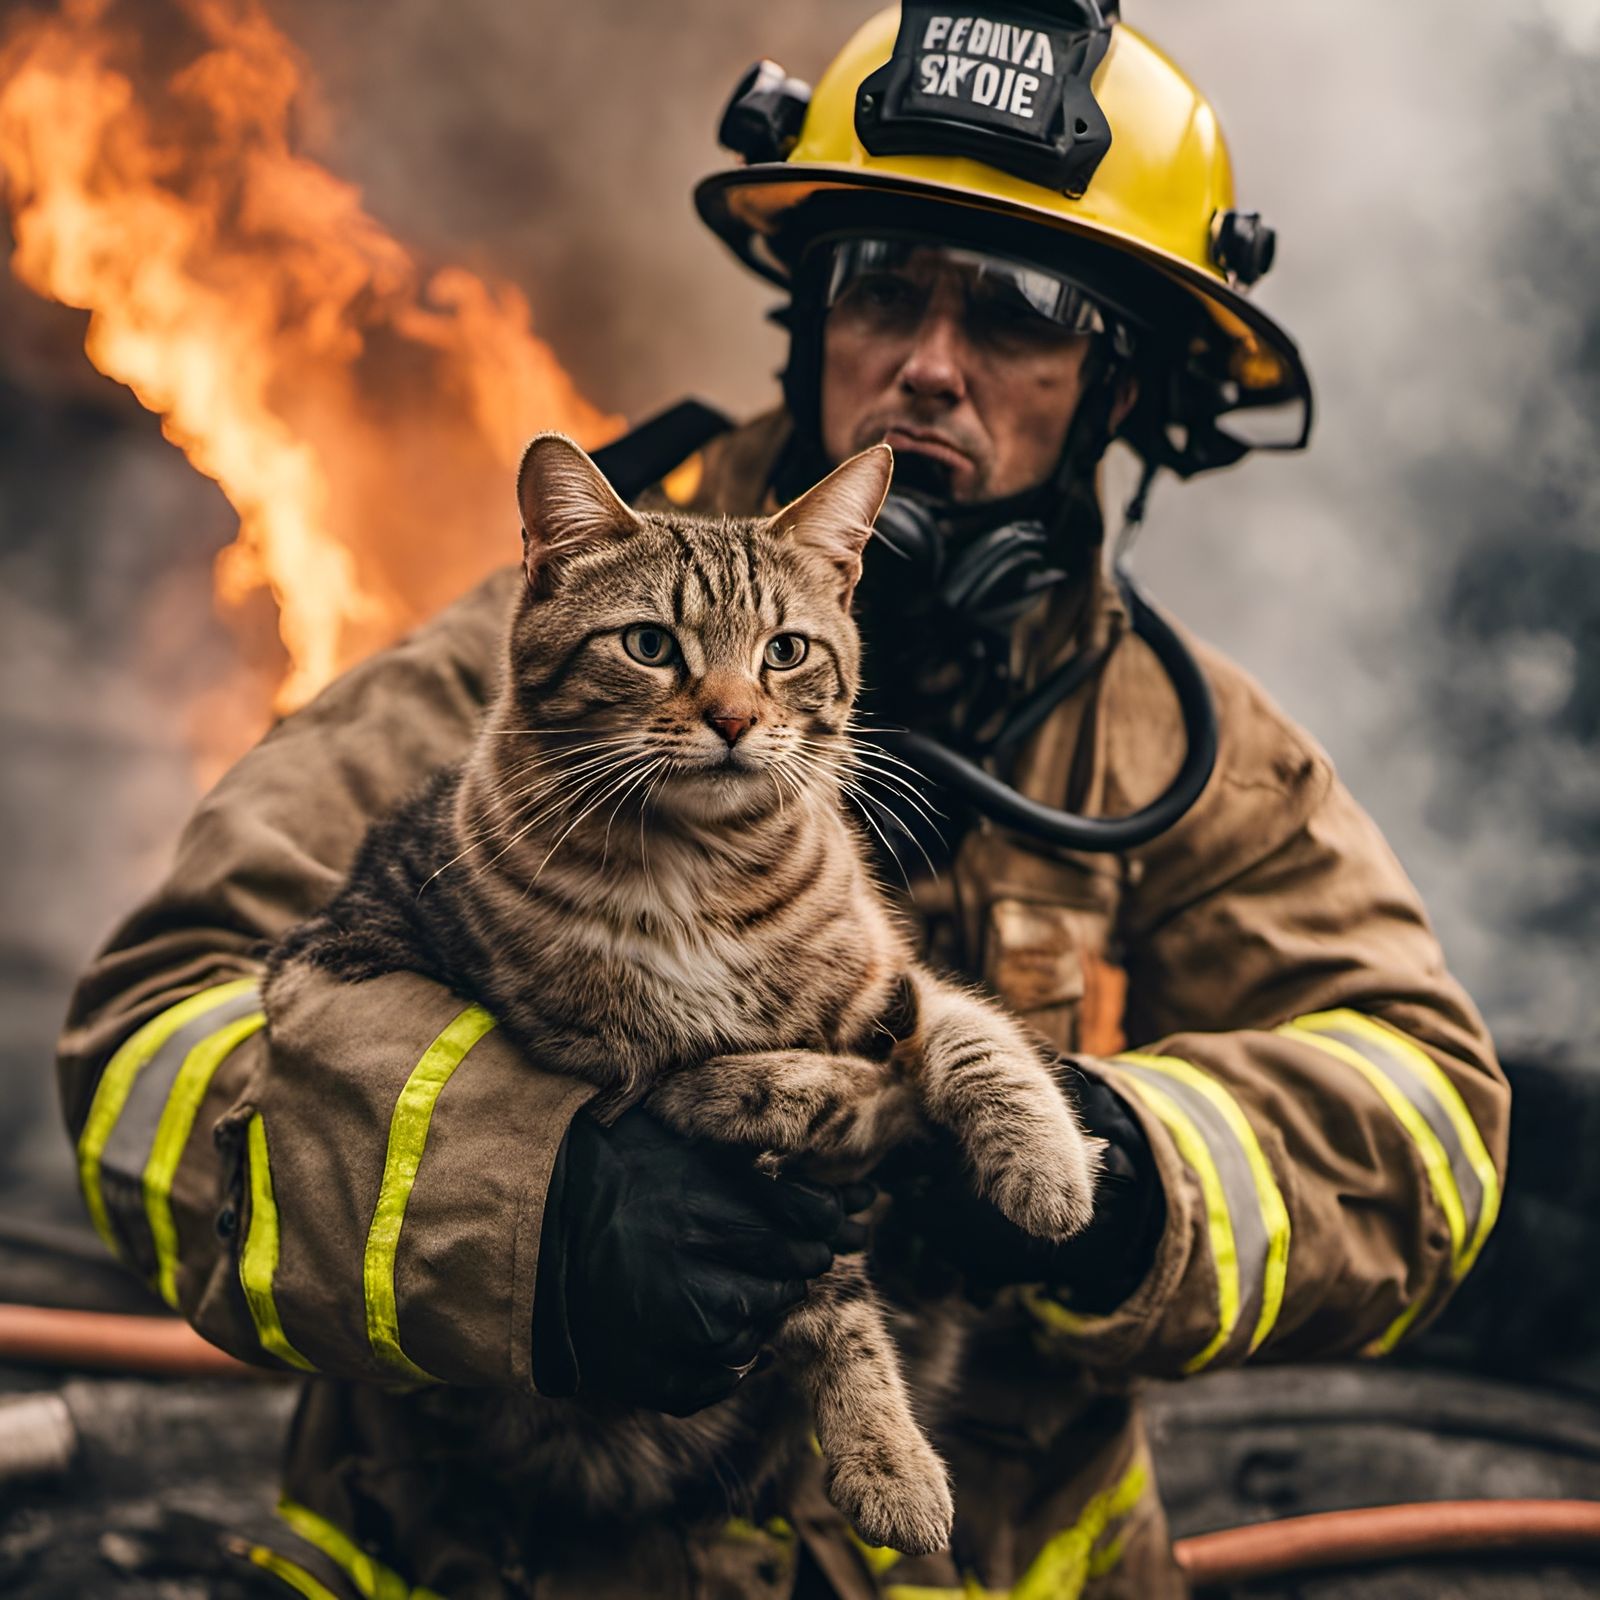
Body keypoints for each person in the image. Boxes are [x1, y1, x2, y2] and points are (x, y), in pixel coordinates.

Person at [56, 6, 1508, 1598]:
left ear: (1122, 388)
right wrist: (533, 1202)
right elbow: (152, 1042)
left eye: (1021, 310)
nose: (929, 368)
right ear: (810, 313)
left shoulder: (1184, 755)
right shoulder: (530, 664)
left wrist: (1122, 1169)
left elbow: (1427, 1117)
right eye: (881, 285)